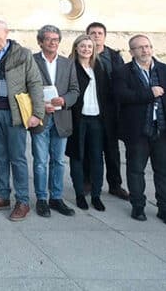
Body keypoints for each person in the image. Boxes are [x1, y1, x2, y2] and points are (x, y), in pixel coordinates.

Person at [113, 34, 166, 227]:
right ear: (131, 52)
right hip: (137, 131)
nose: (145, 50)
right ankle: (138, 206)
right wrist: (148, 93)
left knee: (164, 173)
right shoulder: (123, 72)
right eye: (139, 48)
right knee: (135, 170)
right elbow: (121, 96)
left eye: (147, 46)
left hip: (163, 131)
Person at [0, 19, 44, 222]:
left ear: (6, 32)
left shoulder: (22, 54)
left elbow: (34, 82)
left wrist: (38, 113)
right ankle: (3, 195)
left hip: (15, 114)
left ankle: (22, 200)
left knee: (17, 158)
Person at [31, 25, 80, 217]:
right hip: (41, 117)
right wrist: (40, 105)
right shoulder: (32, 61)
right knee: (41, 161)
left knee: (59, 161)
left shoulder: (67, 63)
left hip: (62, 117)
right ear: (40, 41)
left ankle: (56, 198)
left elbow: (75, 90)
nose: (53, 43)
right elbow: (25, 88)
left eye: (56, 39)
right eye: (49, 39)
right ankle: (42, 199)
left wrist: (65, 100)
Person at [66, 35, 112, 212]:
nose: (86, 49)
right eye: (82, 46)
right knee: (77, 156)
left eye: (89, 46)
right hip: (78, 118)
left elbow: (106, 94)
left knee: (96, 157)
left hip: (97, 119)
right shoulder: (71, 67)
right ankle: (79, 194)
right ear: (76, 48)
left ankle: (96, 195)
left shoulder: (99, 67)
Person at [86, 21, 129, 200]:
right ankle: (87, 181)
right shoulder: (83, 53)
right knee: (89, 148)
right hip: (89, 109)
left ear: (104, 36)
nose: (96, 36)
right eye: (93, 33)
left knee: (112, 150)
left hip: (110, 110)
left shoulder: (113, 56)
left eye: (99, 33)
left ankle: (115, 184)